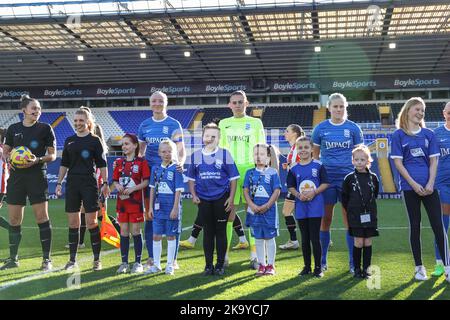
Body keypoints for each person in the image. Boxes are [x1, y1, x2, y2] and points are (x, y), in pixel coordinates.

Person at [390, 97, 450, 282]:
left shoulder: (429, 134)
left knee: (438, 227)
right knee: (415, 226)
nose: (420, 113)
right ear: (408, 111)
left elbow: (434, 161)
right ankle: (419, 268)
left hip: (430, 188)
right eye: (417, 109)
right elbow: (398, 164)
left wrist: (430, 183)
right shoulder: (398, 135)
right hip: (410, 188)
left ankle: (447, 267)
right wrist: (414, 184)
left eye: (422, 110)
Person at [0, 95, 56, 271]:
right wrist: (9, 157)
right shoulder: (13, 128)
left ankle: (46, 259)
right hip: (16, 178)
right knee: (14, 219)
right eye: (34, 108)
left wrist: (37, 159)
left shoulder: (45, 128)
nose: (37, 112)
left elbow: (52, 155)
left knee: (42, 217)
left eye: (39, 109)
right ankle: (13, 259)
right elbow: (5, 151)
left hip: (37, 176)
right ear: (24, 110)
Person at [312, 93, 364, 273]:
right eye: (335, 106)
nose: (339, 109)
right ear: (329, 108)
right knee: (325, 219)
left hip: (348, 180)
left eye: (341, 106)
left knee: (349, 220)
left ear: (345, 108)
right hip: (327, 180)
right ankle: (323, 261)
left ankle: (352, 262)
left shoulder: (353, 128)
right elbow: (315, 156)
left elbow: (360, 155)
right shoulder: (320, 129)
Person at [55, 107, 110, 271]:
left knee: (92, 222)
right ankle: (72, 260)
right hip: (72, 184)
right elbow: (64, 163)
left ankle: (97, 260)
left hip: (89, 184)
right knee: (73, 223)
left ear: (88, 122)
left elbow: (102, 164)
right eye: (76, 121)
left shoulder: (95, 140)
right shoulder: (69, 140)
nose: (78, 123)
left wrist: (105, 183)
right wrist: (58, 183)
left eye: (81, 121)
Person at [138, 91, 186, 269]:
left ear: (166, 104)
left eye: (160, 101)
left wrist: (179, 165)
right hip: (152, 179)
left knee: (174, 216)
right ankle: (152, 257)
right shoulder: (145, 125)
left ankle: (173, 259)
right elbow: (141, 152)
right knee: (150, 215)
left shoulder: (174, 124)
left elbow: (181, 150)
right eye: (154, 101)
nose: (157, 104)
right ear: (150, 104)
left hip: (171, 176)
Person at [219, 90, 266, 269]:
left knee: (252, 212)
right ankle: (224, 256)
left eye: (241, 102)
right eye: (234, 102)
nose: (237, 105)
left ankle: (254, 255)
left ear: (246, 103)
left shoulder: (255, 122)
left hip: (250, 172)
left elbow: (261, 147)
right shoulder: (224, 124)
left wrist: (259, 170)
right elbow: (222, 150)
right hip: (230, 173)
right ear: (229, 105)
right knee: (229, 213)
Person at [186, 123, 239, 276]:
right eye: (207, 136)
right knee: (208, 232)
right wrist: (194, 195)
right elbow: (191, 178)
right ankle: (208, 266)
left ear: (218, 138)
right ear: (203, 137)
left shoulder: (225, 154)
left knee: (221, 231)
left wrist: (231, 197)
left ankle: (220, 265)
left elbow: (233, 178)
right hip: (203, 199)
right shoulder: (196, 155)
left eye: (213, 136)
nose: (210, 139)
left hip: (221, 199)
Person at [287, 137, 329, 278]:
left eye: (306, 147)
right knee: (304, 238)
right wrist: (299, 195)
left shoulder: (318, 165)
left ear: (312, 149)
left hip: (315, 206)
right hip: (301, 207)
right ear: (297, 150)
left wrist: (314, 192)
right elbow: (290, 186)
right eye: (300, 148)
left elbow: (325, 183)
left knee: (314, 238)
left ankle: (318, 268)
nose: (303, 150)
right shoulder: (293, 168)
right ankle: (306, 267)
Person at [145, 139, 184, 275]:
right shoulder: (155, 169)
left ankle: (169, 265)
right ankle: (156, 265)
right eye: (164, 151)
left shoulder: (176, 168)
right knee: (156, 236)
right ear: (159, 153)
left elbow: (179, 190)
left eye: (169, 151)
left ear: (173, 153)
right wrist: (150, 208)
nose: (167, 154)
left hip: (171, 208)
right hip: (158, 209)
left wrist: (175, 208)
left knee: (171, 236)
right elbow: (152, 189)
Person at [113, 133, 150, 274]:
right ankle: (124, 263)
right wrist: (117, 186)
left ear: (135, 145)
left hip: (135, 203)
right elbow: (115, 180)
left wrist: (132, 189)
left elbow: (146, 182)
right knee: (123, 231)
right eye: (123, 144)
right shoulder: (119, 162)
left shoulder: (142, 162)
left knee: (135, 231)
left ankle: (138, 263)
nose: (124, 146)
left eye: (127, 144)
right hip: (122, 202)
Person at [243, 144, 281, 276]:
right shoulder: (249, 173)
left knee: (269, 238)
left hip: (269, 212)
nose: (258, 157)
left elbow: (276, 190)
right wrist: (251, 205)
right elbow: (245, 190)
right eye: (256, 154)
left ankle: (270, 265)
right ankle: (261, 265)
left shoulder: (273, 172)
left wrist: (267, 206)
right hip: (254, 211)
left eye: (262, 154)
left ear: (268, 157)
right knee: (258, 239)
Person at [342, 145, 379, 279]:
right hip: (355, 216)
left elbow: (375, 194)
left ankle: (367, 269)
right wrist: (352, 210)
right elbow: (344, 198)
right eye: (356, 159)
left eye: (362, 159)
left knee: (368, 242)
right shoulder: (349, 178)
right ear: (352, 161)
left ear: (368, 161)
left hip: (370, 215)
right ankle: (357, 269)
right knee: (358, 242)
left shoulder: (373, 177)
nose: (359, 162)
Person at [279, 124, 305, 250]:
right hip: (298, 184)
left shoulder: (298, 146)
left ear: (294, 134)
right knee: (303, 212)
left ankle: (294, 241)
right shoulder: (294, 147)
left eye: (287, 131)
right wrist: (288, 165)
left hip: (298, 185)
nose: (285, 133)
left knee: (287, 212)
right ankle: (324, 237)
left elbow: (302, 164)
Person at [432, 101, 450, 277]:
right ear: (444, 113)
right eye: (449, 112)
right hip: (443, 185)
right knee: (443, 225)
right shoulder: (436, 134)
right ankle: (440, 263)